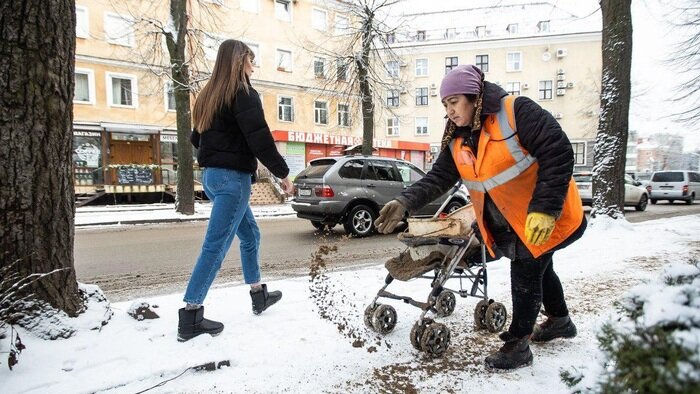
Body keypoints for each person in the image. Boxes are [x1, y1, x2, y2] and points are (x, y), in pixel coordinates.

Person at [375, 64, 586, 370]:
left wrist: (544, 209)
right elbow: (439, 177)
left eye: (454, 102)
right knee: (540, 266)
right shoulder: (458, 138)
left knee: (527, 270)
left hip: (547, 214)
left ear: (475, 97)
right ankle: (560, 320)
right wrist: (404, 201)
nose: (449, 111)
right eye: (445, 105)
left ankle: (518, 345)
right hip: (513, 221)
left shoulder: (516, 112)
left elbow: (558, 150)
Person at [177, 39, 294, 342]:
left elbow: (195, 138)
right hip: (233, 180)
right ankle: (190, 315)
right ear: (239, 61)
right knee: (215, 246)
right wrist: (282, 172)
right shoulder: (243, 93)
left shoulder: (208, 96)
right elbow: (260, 139)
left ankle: (258, 294)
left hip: (212, 178)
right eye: (250, 61)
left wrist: (221, 149)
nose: (253, 68)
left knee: (250, 235)